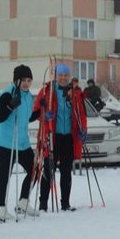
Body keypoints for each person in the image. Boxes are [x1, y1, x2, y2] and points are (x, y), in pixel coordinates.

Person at [35, 63, 87, 212]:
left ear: (69, 76)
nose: (63, 78)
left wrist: (83, 130)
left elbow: (82, 115)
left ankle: (65, 203)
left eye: (65, 75)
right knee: (48, 171)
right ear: (55, 76)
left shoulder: (75, 93)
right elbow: (35, 111)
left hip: (68, 138)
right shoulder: (47, 91)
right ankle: (43, 203)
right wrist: (44, 115)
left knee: (66, 171)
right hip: (52, 137)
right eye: (60, 75)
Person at [0, 65, 39, 221]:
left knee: (35, 169)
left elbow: (28, 117)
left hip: (22, 142)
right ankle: (0, 210)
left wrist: (41, 111)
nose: (26, 83)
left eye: (29, 80)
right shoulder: (7, 94)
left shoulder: (27, 96)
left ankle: (23, 201)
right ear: (16, 80)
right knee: (4, 176)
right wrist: (10, 105)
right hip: (6, 142)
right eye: (23, 80)